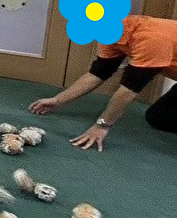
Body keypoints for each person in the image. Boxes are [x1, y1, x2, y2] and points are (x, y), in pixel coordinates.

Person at [29, 14, 177, 151]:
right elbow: (98, 74)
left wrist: (102, 125)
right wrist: (57, 100)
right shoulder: (110, 35)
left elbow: (128, 90)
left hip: (156, 43)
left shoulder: (151, 39)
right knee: (157, 118)